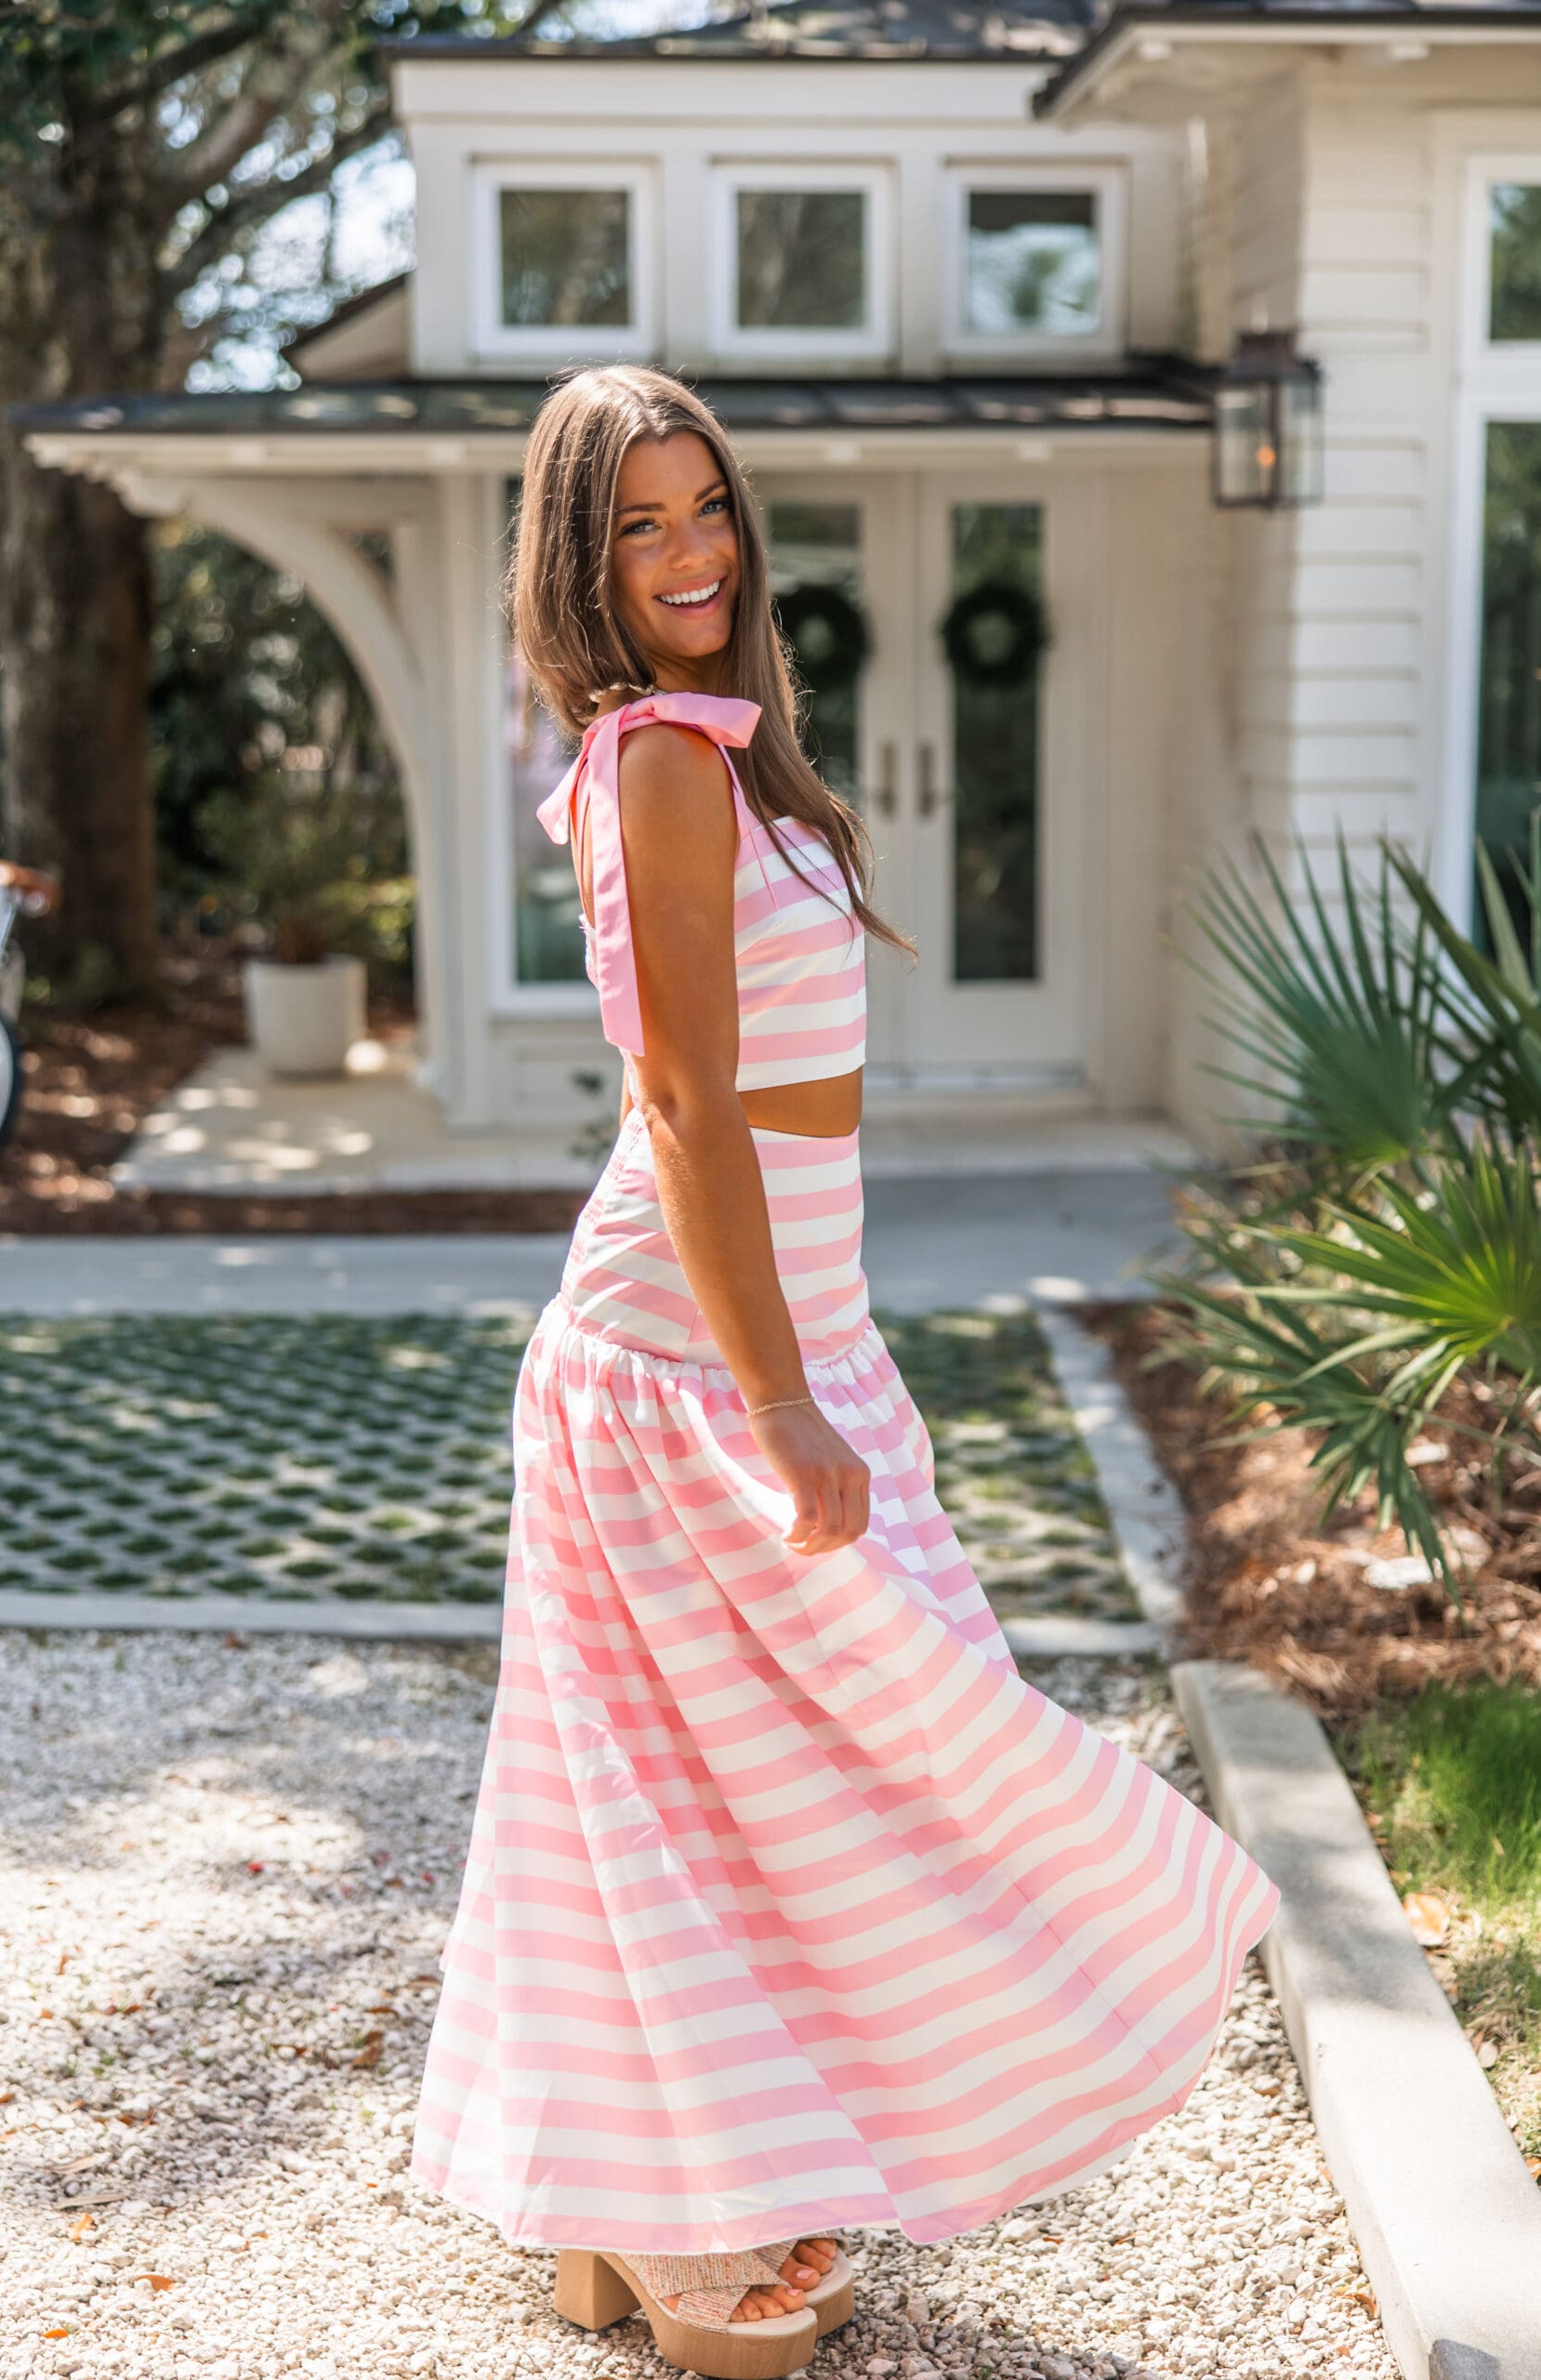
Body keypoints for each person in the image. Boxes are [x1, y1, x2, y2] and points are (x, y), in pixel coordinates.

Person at [410, 365, 1278, 2380]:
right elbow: (692, 1102)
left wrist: (820, 1361)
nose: (689, 551)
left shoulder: (728, 752)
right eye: (636, 525)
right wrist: (779, 1395)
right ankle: (682, 2199)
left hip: (789, 1320)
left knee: (771, 1761)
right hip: (687, 1351)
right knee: (735, 1773)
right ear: (576, 559)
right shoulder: (652, 760)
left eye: (705, 507)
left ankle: (631, 2204)